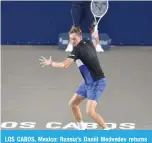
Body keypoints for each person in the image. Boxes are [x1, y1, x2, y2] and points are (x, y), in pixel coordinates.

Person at [39, 26, 109, 130]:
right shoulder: (88, 41)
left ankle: (108, 132)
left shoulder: (77, 50)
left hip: (97, 82)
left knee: (90, 111)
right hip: (87, 82)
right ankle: (81, 128)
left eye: (74, 39)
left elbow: (65, 65)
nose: (72, 41)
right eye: (70, 39)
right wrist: (95, 34)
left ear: (80, 37)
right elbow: (95, 41)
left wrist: (51, 63)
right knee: (73, 104)